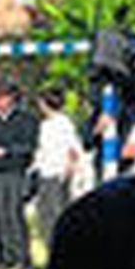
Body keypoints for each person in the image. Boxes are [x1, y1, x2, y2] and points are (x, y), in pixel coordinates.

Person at [0, 81, 38, 269]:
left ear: (10, 98)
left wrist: (6, 151)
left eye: (0, 98)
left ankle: (22, 258)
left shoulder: (26, 119)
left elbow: (29, 146)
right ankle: (5, 257)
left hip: (14, 173)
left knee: (13, 216)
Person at [33, 87, 83, 250]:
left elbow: (73, 149)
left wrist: (69, 169)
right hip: (45, 172)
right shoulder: (45, 124)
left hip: (58, 173)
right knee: (44, 214)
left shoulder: (63, 123)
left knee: (57, 214)